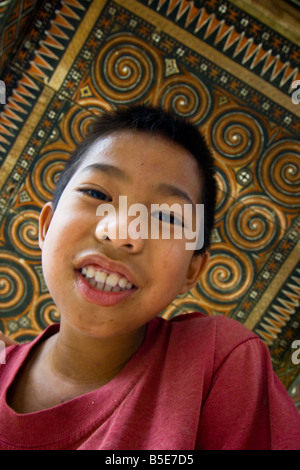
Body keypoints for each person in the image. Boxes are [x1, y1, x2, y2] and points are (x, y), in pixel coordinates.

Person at [0, 105, 299, 450]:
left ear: (192, 269)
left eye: (167, 217)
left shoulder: (217, 365)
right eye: (97, 194)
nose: (123, 231)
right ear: (46, 225)